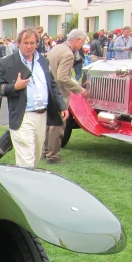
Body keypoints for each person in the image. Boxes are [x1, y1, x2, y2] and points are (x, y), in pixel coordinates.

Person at [0, 28, 68, 168]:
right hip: (23, 115)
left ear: (37, 44)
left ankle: (24, 182)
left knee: (35, 156)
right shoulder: (8, 62)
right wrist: (15, 87)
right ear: (18, 44)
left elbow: (52, 85)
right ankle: (25, 187)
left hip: (42, 114)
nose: (29, 46)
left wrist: (62, 105)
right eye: (26, 43)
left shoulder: (43, 61)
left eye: (32, 43)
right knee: (26, 159)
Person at [44, 30, 89, 164]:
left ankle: (46, 151)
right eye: (82, 42)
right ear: (78, 40)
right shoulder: (68, 54)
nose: (81, 46)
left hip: (49, 91)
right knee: (57, 126)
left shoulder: (56, 48)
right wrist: (79, 89)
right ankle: (53, 156)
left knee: (49, 124)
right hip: (59, 93)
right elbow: (63, 78)